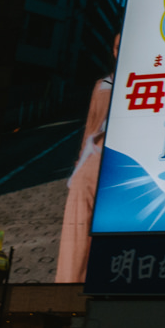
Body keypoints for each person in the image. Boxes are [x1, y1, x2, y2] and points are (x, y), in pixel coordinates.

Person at [56, 36, 117, 284]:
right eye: (117, 46)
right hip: (96, 161)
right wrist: (81, 161)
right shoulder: (103, 84)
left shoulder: (149, 81)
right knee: (79, 230)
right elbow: (91, 127)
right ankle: (70, 286)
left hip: (112, 163)